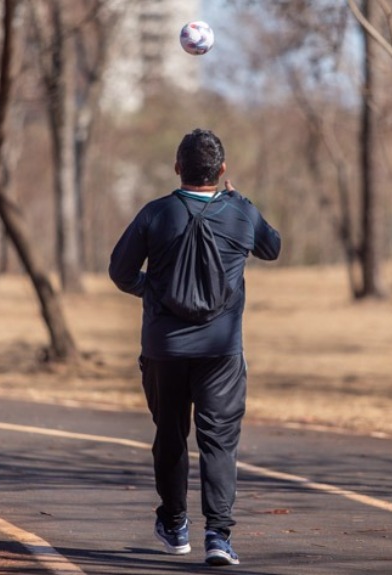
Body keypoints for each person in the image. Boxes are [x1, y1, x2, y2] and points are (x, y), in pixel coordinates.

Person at [108, 128, 281, 566]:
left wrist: (153, 290)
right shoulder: (240, 213)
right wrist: (242, 202)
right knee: (218, 440)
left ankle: (174, 524)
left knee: (169, 434)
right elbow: (272, 247)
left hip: (164, 348)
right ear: (222, 170)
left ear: (177, 168)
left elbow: (120, 271)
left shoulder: (156, 214)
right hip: (221, 350)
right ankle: (218, 536)